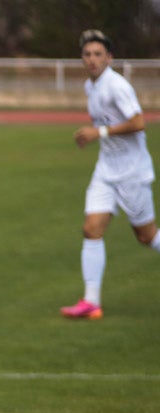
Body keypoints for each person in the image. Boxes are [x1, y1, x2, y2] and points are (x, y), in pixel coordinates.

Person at [62, 29, 159, 319]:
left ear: (110, 58)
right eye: (87, 54)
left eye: (98, 54)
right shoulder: (90, 86)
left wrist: (98, 132)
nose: (92, 59)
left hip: (132, 173)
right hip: (106, 170)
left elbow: (139, 122)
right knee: (91, 229)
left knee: (146, 236)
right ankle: (91, 302)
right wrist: (97, 136)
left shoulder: (117, 86)